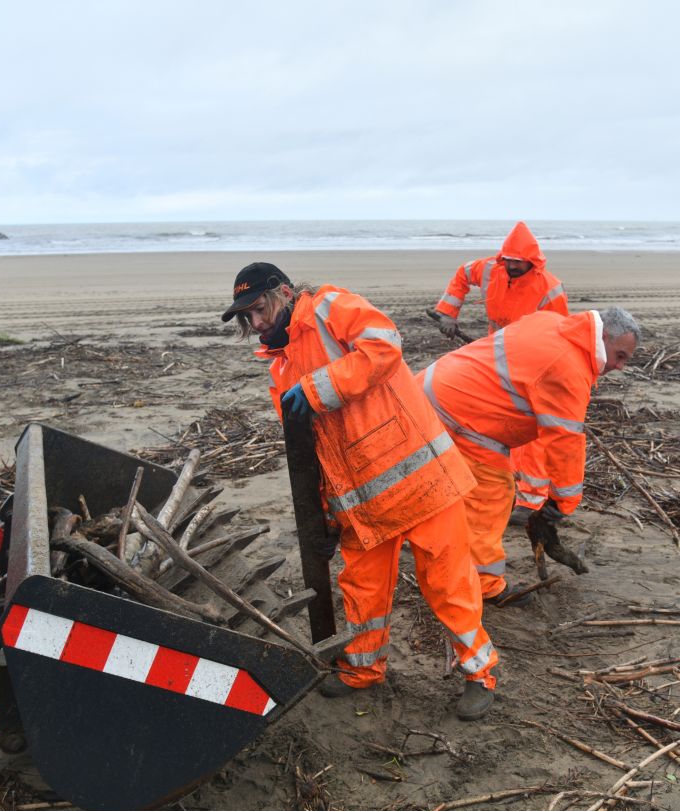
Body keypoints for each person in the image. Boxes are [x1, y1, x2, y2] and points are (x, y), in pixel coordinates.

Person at [222, 262, 500, 720]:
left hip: (423, 481)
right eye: (246, 317)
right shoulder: (281, 369)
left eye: (258, 309)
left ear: (285, 292)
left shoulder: (331, 307)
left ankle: (480, 672)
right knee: (363, 589)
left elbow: (385, 344)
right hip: (363, 503)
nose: (255, 324)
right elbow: (311, 452)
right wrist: (326, 515)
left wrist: (316, 387)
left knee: (448, 583)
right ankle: (363, 670)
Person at [420, 307, 640, 605]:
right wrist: (562, 504)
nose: (620, 366)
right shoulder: (569, 367)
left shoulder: (549, 322)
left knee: (449, 491)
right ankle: (485, 585)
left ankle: (440, 551)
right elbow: (564, 444)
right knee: (492, 494)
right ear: (603, 337)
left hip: (430, 390)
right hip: (463, 415)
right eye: (621, 356)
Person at [431, 221, 570, 516]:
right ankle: (495, 481)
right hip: (495, 354)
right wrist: (447, 312)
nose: (511, 267)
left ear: (531, 262)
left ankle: (531, 501)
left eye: (517, 263)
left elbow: (559, 336)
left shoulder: (549, 289)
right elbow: (462, 274)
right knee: (489, 419)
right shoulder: (490, 270)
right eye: (507, 261)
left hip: (531, 364)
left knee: (527, 431)